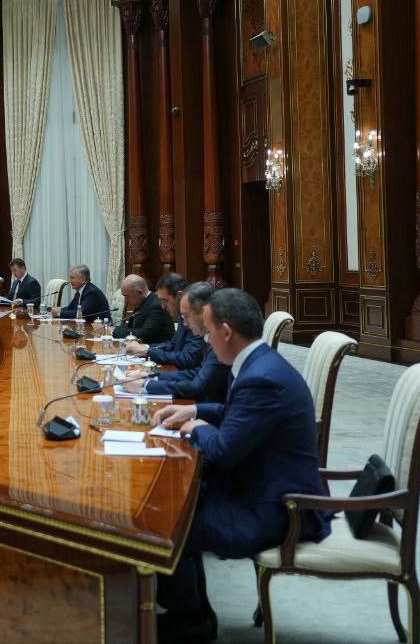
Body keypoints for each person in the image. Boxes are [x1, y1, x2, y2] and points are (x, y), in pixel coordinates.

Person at [149, 289, 330, 642]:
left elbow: (223, 452)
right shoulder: (258, 362)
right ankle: (194, 614)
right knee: (177, 506)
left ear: (226, 332)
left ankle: (190, 624)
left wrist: (197, 429)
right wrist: (194, 410)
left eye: (208, 332)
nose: (206, 340)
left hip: (278, 509)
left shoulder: (262, 378)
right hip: (264, 488)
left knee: (166, 525)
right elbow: (235, 414)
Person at [124, 282, 230, 403]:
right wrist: (150, 376)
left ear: (204, 312)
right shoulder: (211, 336)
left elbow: (198, 385)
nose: (184, 323)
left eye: (186, 316)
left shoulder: (219, 339)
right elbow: (197, 373)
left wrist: (146, 385)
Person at [126, 272, 206, 369]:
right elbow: (173, 344)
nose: (163, 306)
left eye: (165, 300)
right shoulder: (183, 317)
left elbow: (188, 358)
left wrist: (147, 352)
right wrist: (146, 347)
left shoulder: (195, 318)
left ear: (179, 296)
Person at [110, 274, 174, 343]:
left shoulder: (156, 306)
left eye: (127, 296)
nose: (126, 300)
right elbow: (130, 326)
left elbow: (144, 334)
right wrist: (116, 329)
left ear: (139, 292)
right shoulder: (142, 301)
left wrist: (114, 331)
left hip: (157, 347)